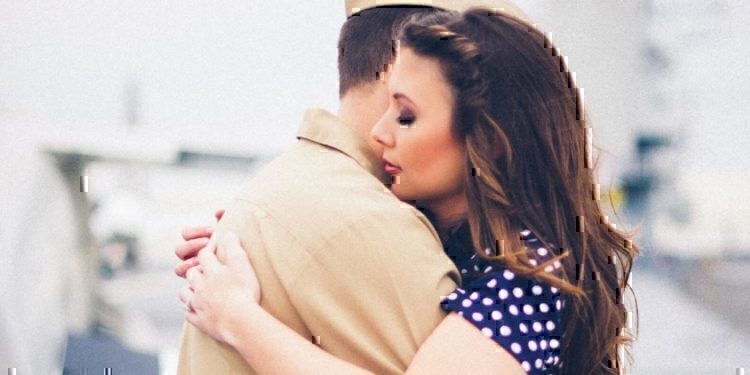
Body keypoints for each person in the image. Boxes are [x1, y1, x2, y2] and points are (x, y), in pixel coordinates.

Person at [177, 6, 638, 375]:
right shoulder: (471, 249)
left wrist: (238, 319)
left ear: (488, 142)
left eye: (406, 116)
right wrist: (265, 243)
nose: (378, 133)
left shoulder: (529, 278)